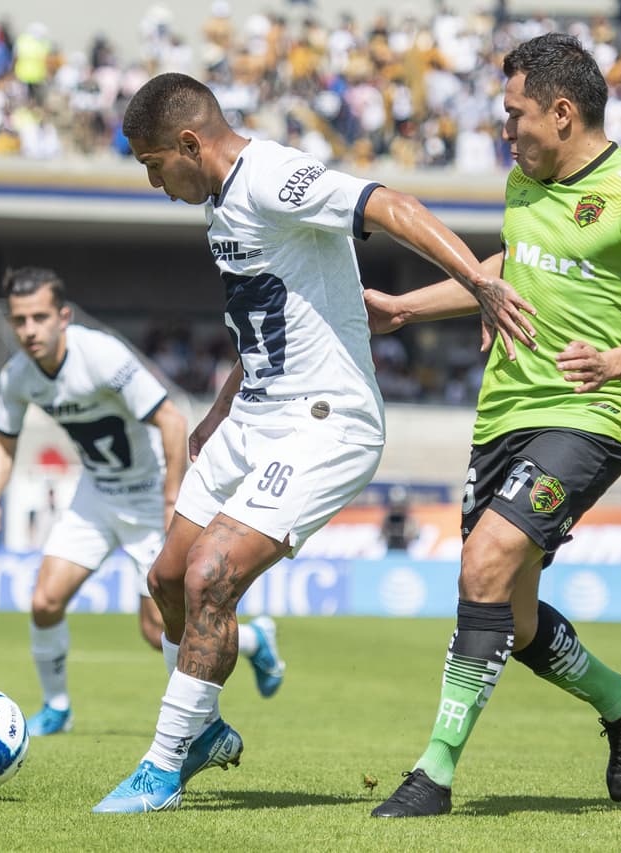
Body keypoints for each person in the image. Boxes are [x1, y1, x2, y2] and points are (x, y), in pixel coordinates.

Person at [92, 72, 533, 814]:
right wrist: (219, 410)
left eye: (153, 164)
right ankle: (202, 728)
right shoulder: (222, 202)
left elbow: (388, 205)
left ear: (190, 144)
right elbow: (266, 317)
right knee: (167, 577)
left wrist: (476, 281)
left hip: (324, 421)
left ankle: (163, 763)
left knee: (210, 573)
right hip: (251, 416)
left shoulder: (272, 176)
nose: (154, 181)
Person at [363, 33, 621, 818]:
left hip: (589, 418)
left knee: (483, 562)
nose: (504, 128)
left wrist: (614, 366)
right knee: (513, 619)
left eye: (513, 113)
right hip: (503, 418)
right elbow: (511, 272)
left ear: (561, 111)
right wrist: (409, 306)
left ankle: (433, 775)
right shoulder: (526, 180)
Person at [0, 267, 288, 739]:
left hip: (149, 497)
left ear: (63, 316)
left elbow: (172, 422)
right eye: (20, 321)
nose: (29, 330)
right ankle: (57, 708)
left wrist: (170, 503)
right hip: (96, 493)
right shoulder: (18, 375)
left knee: (155, 630)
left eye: (39, 317)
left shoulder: (101, 356)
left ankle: (255, 640)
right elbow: (4, 441)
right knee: (45, 601)